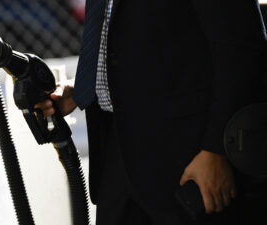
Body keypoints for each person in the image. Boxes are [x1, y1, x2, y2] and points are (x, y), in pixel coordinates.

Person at [36, 0, 267, 224]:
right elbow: (134, 37)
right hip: (121, 151)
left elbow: (241, 50)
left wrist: (217, 149)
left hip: (191, 157)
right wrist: (83, 88)